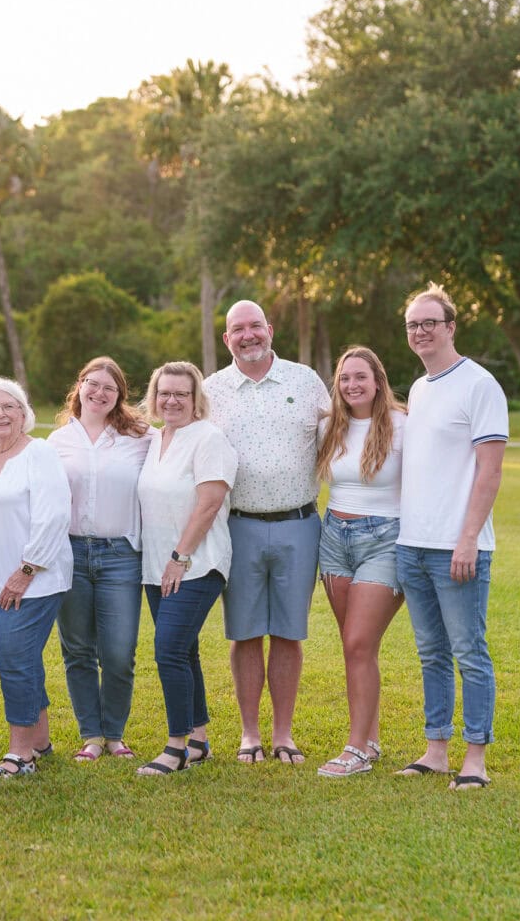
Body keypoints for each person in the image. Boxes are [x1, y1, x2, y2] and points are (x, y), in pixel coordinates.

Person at [203, 300, 329, 765]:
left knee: (289, 633)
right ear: (227, 339)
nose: (248, 334)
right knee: (245, 633)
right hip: (238, 527)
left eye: (255, 325)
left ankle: (284, 734)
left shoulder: (305, 380)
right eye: (239, 328)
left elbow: (340, 440)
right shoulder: (210, 389)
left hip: (299, 524)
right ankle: (250, 735)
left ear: (270, 329)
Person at [395, 283, 508, 791]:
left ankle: (475, 759)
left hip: (458, 547)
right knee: (431, 653)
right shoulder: (420, 388)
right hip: (412, 545)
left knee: (469, 651)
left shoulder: (479, 385)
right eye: (413, 325)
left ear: (450, 327)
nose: (420, 332)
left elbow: (489, 472)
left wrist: (467, 539)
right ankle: (436, 750)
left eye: (429, 323)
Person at [0, 377, 73, 779]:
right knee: (14, 659)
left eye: (9, 407)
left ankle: (20, 754)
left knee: (17, 661)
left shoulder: (38, 453)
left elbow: (55, 514)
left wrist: (27, 570)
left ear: (25, 414)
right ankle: (40, 741)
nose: (1, 414)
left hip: (31, 581)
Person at [134, 362, 238, 776]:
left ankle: (175, 747)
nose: (172, 400)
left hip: (196, 563)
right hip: (157, 565)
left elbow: (209, 503)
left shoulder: (209, 438)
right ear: (154, 396)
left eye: (181, 393)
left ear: (197, 400)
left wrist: (180, 558)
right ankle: (198, 740)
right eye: (165, 393)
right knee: (185, 650)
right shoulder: (155, 438)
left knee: (169, 651)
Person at [47, 357, 153, 763]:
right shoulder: (57, 442)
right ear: (80, 386)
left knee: (119, 651)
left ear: (119, 396)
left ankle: (115, 734)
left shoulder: (141, 438)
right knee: (77, 649)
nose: (100, 392)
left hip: (120, 555)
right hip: (69, 552)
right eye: (93, 384)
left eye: (110, 388)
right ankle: (91, 735)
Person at [313, 346, 407, 779]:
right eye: (344, 378)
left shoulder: (403, 425)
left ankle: (356, 749)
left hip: (384, 539)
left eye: (360, 377)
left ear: (378, 380)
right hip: (334, 537)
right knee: (356, 647)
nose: (352, 385)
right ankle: (369, 738)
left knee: (357, 643)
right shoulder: (331, 426)